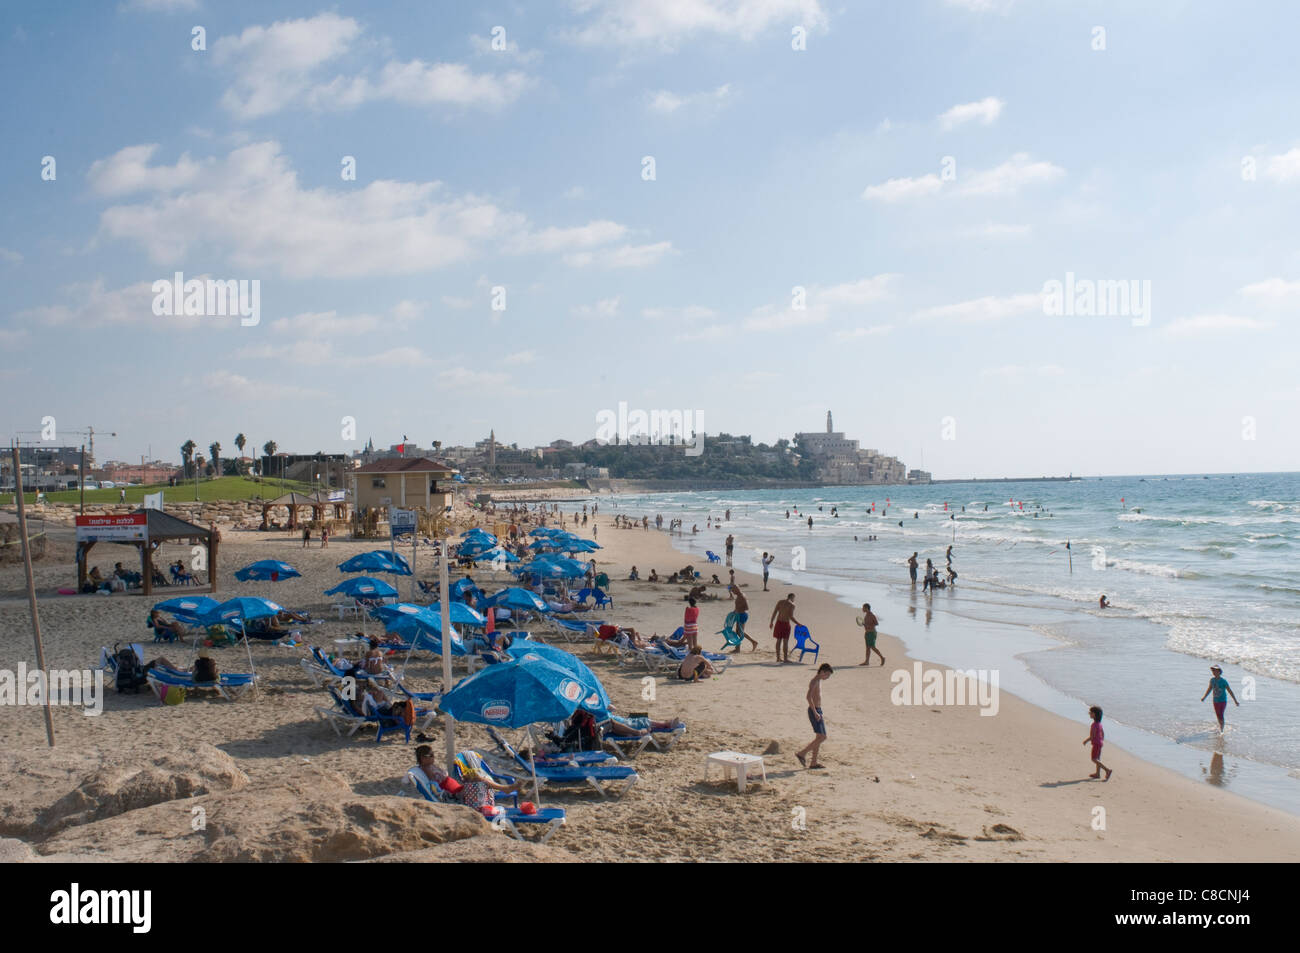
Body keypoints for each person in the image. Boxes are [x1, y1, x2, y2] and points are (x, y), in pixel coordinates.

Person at [796, 663, 834, 769]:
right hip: (814, 711)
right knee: (822, 737)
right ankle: (802, 753)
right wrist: (815, 712)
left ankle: (813, 762)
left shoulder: (818, 681)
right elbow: (808, 697)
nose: (827, 678)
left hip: (818, 710)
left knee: (818, 737)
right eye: (827, 675)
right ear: (822, 672)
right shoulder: (814, 681)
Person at [1200, 665, 1239, 731]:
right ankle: (1221, 726)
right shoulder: (1212, 680)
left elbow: (1230, 691)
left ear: (1219, 672)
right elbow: (1209, 689)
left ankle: (1222, 729)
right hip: (1215, 701)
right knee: (1218, 715)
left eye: (1215, 671)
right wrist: (1204, 697)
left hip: (1223, 701)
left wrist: (1235, 701)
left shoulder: (1223, 681)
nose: (1213, 672)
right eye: (1213, 671)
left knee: (1221, 714)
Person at [1083, 706, 1112, 781]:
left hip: (1096, 744)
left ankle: (1107, 770)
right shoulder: (1099, 724)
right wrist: (1101, 740)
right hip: (1100, 743)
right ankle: (1097, 774)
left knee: (1094, 759)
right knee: (1098, 759)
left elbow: (1092, 736)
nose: (1089, 714)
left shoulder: (1094, 725)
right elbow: (1102, 733)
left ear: (1094, 715)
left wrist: (1086, 741)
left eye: (1090, 713)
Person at [769, 593, 800, 663]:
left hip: (778, 623)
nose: (794, 600)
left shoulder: (780, 602)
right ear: (792, 598)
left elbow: (775, 612)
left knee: (778, 641)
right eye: (794, 598)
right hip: (786, 624)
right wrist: (798, 624)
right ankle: (785, 659)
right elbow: (791, 617)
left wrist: (771, 622)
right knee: (785, 642)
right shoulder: (792, 605)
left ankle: (778, 658)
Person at [727, 585, 757, 652]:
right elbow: (737, 606)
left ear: (736, 589)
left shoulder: (742, 596)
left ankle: (738, 649)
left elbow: (747, 607)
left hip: (742, 615)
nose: (733, 592)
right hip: (739, 615)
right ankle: (751, 643)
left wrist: (738, 610)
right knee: (739, 632)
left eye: (733, 591)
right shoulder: (739, 595)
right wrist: (733, 612)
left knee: (739, 632)